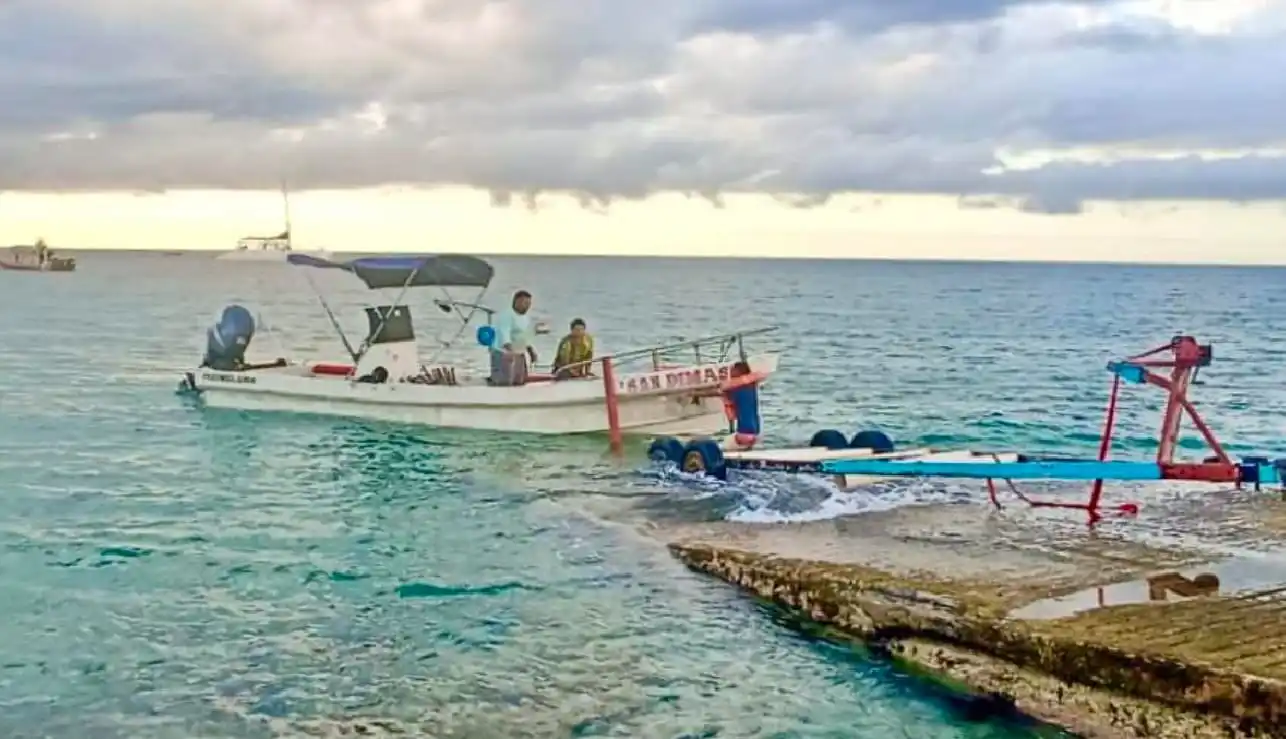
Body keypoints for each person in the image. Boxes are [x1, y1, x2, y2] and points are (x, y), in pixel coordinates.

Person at [489, 290, 537, 386]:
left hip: (519, 353)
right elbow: (504, 334)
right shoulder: (507, 315)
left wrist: (530, 350)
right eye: (525, 303)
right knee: (505, 382)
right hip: (504, 353)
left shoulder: (525, 318)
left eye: (529, 303)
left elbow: (525, 336)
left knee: (519, 381)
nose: (527, 306)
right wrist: (510, 351)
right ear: (517, 302)